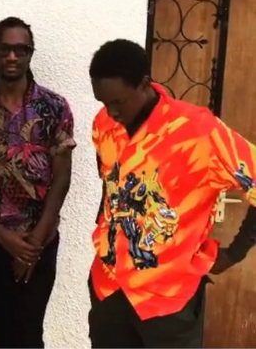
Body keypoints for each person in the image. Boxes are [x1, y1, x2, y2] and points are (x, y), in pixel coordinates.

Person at [88, 38, 256, 348]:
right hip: (109, 289)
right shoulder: (103, 124)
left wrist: (234, 253)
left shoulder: (197, 131)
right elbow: (109, 184)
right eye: (103, 102)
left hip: (168, 299)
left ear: (144, 84)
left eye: (119, 102)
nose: (111, 112)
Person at [0, 17, 75, 348]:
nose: (12, 56)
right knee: (2, 332)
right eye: (4, 49)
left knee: (29, 334)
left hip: (40, 240)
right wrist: (4, 238)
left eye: (20, 49)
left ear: (30, 53)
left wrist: (33, 244)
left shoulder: (54, 107)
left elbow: (62, 178)